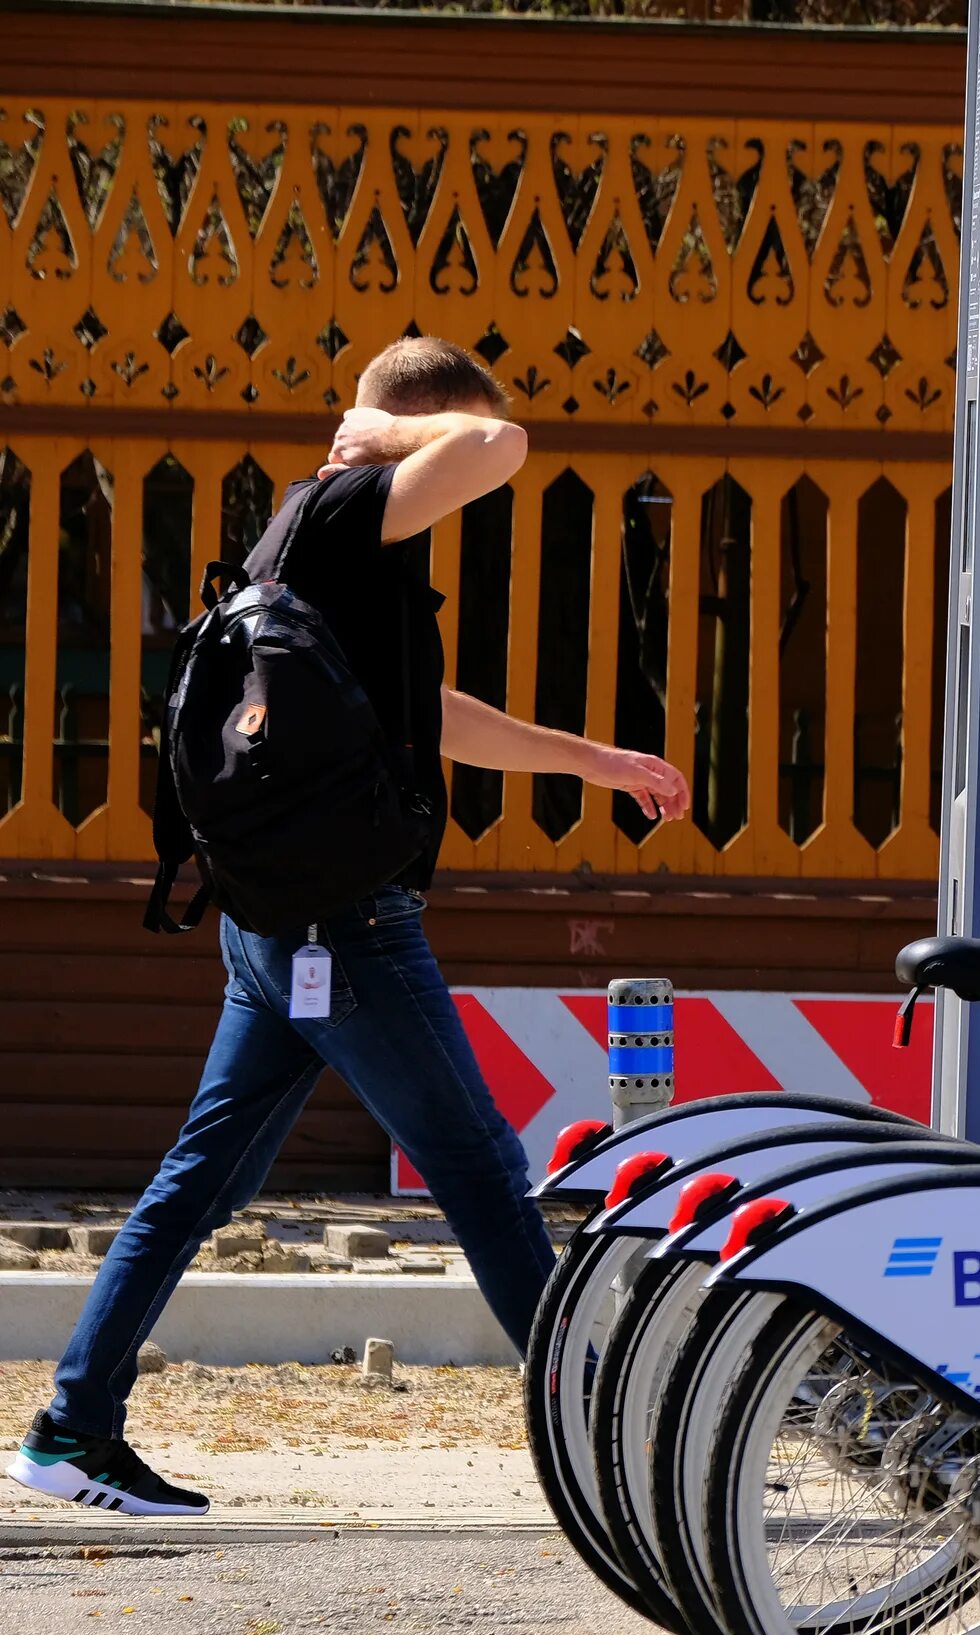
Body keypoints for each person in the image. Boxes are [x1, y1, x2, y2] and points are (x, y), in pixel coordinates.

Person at [10, 335, 692, 1517]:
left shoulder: (310, 538)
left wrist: (592, 761)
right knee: (481, 1164)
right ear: (411, 430)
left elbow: (427, 713)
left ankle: (73, 1425)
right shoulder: (348, 506)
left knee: (198, 1181)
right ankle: (600, 1444)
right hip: (347, 929)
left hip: (278, 928)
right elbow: (502, 443)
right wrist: (388, 434)